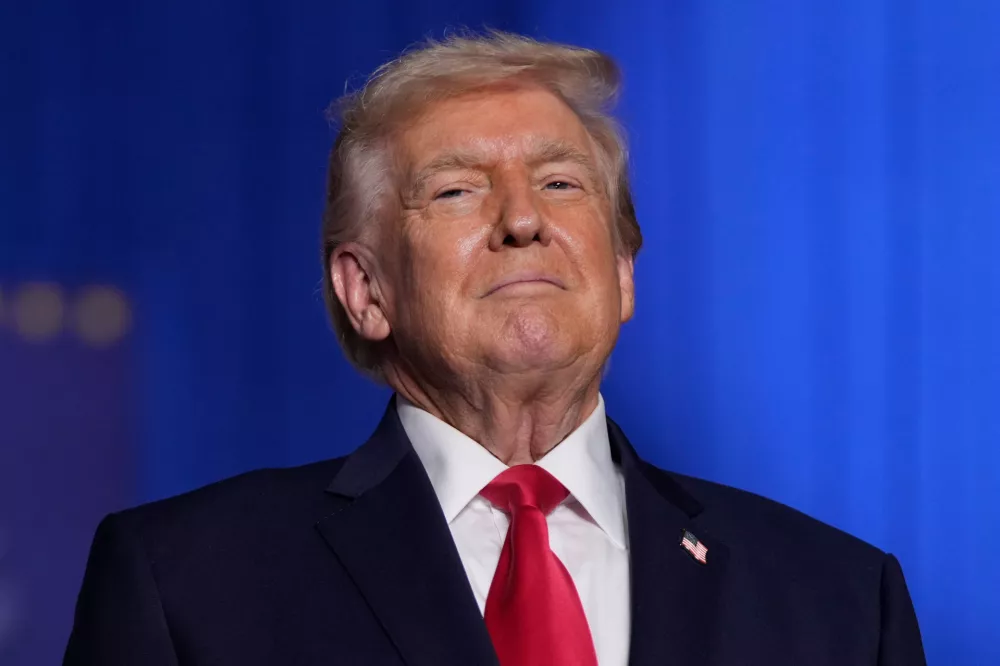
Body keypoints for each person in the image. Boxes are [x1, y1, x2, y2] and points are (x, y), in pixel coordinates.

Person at [64, 31, 926, 665]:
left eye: (560, 182)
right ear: (367, 291)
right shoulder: (185, 583)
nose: (523, 220)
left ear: (622, 273)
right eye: (455, 190)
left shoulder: (840, 601)